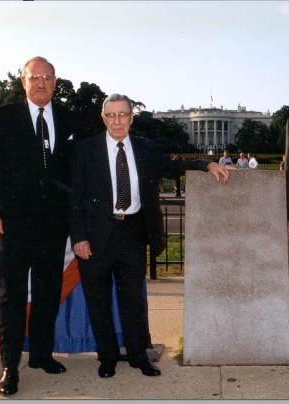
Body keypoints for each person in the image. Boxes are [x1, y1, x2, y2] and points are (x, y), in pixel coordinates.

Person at [69, 93, 230, 379]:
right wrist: (79, 237)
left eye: (123, 114)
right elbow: (75, 198)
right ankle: (106, 357)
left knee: (134, 299)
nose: (117, 121)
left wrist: (206, 164)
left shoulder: (145, 148)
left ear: (132, 117)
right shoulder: (85, 149)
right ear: (103, 117)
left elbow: (174, 164)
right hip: (95, 234)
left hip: (132, 231)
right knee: (98, 299)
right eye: (111, 115)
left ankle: (137, 355)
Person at [0, 56, 77, 396]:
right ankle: (10, 365)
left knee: (49, 293)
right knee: (12, 296)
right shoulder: (2, 116)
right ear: (23, 81)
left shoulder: (68, 119)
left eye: (47, 77)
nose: (41, 83)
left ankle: (41, 355)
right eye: (34, 77)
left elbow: (75, 172)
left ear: (55, 82)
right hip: (15, 226)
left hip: (54, 226)